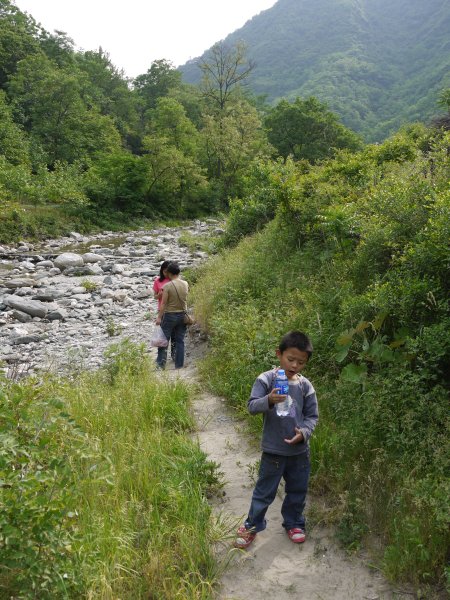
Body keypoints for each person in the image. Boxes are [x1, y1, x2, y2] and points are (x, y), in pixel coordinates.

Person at [234, 331, 319, 549]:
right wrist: (269, 400)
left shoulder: (305, 386)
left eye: (301, 362)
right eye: (290, 359)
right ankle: (252, 526)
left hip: (299, 452)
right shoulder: (267, 379)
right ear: (279, 354)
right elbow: (252, 406)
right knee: (264, 492)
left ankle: (294, 522)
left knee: (298, 490)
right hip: (273, 450)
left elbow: (312, 416)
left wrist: (304, 433)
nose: (295, 366)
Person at [155, 262, 188, 370]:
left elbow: (163, 303)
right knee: (180, 341)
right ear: (178, 272)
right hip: (182, 315)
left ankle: (160, 365)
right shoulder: (185, 283)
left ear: (169, 273)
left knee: (163, 340)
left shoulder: (167, 286)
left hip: (169, 315)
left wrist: (159, 317)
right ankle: (179, 365)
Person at [153, 260, 176, 361]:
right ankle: (162, 359)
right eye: (164, 271)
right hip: (162, 311)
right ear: (161, 271)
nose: (166, 273)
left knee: (174, 335)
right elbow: (155, 296)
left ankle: (174, 356)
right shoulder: (158, 281)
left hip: (173, 309)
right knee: (163, 336)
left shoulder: (174, 280)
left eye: (167, 271)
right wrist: (159, 295)